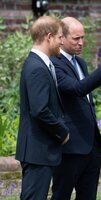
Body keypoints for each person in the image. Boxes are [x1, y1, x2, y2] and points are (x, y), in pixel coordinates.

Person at [50, 17, 101, 200]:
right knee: (61, 195)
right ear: (61, 38)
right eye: (76, 38)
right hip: (69, 147)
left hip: (91, 147)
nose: (81, 43)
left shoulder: (80, 63)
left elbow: (86, 98)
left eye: (83, 38)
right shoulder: (53, 63)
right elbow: (77, 89)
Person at [15, 16, 69, 200]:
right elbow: (39, 110)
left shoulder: (40, 63)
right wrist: (62, 132)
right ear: (49, 37)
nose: (62, 41)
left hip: (40, 150)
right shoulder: (37, 67)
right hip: (38, 151)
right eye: (60, 37)